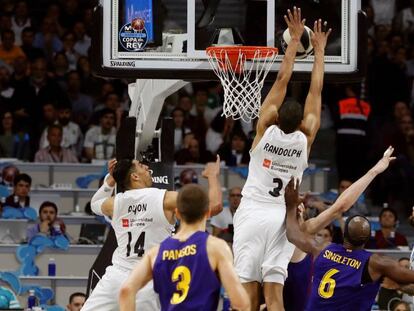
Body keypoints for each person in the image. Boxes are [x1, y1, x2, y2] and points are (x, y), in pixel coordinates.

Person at [232, 7, 331, 310]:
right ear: (302, 121)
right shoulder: (307, 138)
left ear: (274, 118)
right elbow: (316, 88)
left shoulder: (264, 130)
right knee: (275, 295)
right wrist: (318, 52)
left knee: (247, 293)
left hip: (252, 211)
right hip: (281, 216)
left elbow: (283, 77)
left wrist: (293, 41)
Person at [81, 157, 222, 311]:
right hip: (148, 278)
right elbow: (215, 205)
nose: (148, 168)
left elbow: (95, 204)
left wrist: (110, 180)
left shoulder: (116, 202)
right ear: (135, 176)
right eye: (142, 166)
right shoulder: (164, 198)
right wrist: (213, 176)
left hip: (117, 276)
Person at [283, 146, 396, 311]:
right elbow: (340, 206)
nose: (301, 204)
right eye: (298, 203)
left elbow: (340, 207)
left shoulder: (301, 232)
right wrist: (375, 171)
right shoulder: (301, 231)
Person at [119, 184, 250, 311]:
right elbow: (241, 304)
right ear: (208, 212)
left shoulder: (156, 252)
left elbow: (126, 290)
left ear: (177, 214)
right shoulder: (216, 247)